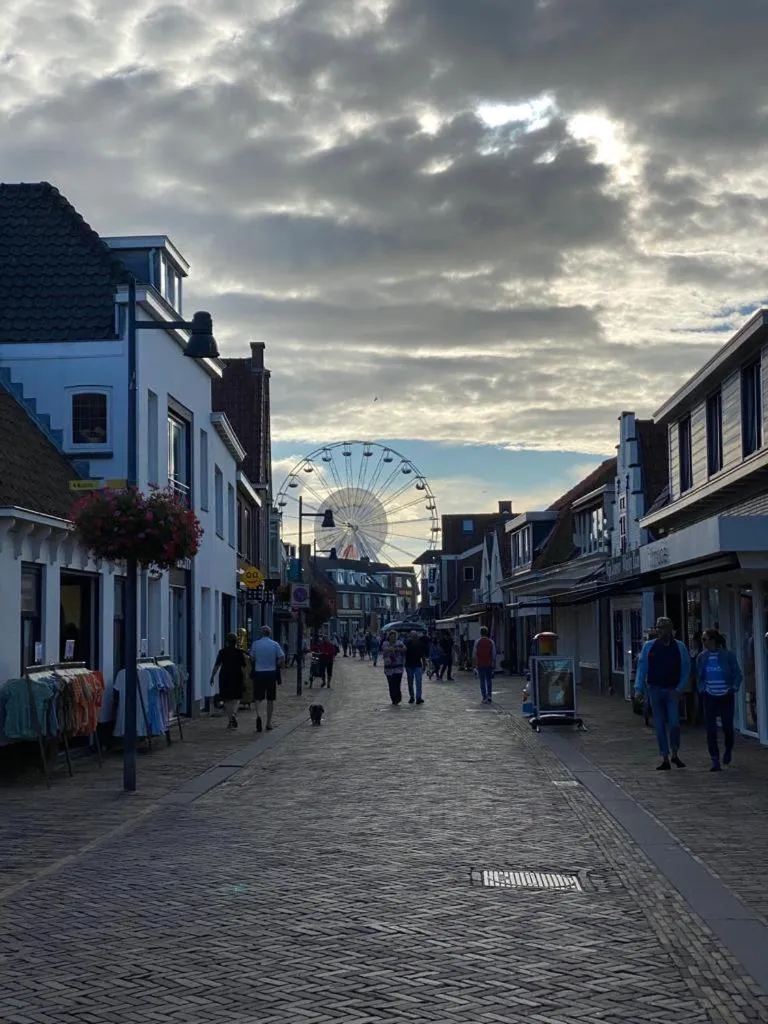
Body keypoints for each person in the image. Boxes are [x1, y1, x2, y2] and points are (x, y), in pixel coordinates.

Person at [634, 616, 691, 770]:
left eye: (664, 627)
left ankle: (675, 753)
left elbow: (686, 668)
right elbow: (642, 667)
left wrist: (680, 688)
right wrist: (638, 689)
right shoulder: (649, 647)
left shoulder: (679, 647)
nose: (660, 630)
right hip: (655, 689)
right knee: (659, 725)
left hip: (672, 689)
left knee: (674, 723)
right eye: (658, 627)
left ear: (670, 629)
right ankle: (664, 756)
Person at [696, 629, 742, 771]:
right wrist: (702, 688)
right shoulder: (702, 657)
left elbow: (737, 673)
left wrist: (733, 687)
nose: (703, 643)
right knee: (711, 730)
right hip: (709, 695)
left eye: (705, 639)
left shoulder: (727, 656)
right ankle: (714, 759)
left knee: (727, 726)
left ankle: (728, 749)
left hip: (726, 695)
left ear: (712, 640)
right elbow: (699, 676)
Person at [248, 625, 285, 732]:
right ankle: (268, 722)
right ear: (270, 633)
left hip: (259, 673)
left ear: (261, 633)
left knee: (258, 697)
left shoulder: (255, 644)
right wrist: (276, 664)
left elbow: (252, 657)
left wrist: (255, 662)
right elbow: (281, 657)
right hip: (271, 673)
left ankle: (259, 715)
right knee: (270, 699)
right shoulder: (274, 644)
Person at [210, 633, 248, 729]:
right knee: (237, 697)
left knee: (227, 699)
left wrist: (212, 676)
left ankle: (231, 719)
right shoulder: (240, 652)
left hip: (225, 676)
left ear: (227, 641)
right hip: (237, 676)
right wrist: (245, 679)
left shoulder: (222, 652)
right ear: (236, 642)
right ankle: (234, 714)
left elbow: (217, 665)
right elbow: (243, 667)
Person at [382, 629, 406, 706]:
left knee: (397, 684)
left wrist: (397, 649)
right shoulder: (385, 643)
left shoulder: (399, 643)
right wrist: (391, 649)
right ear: (389, 637)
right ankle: (393, 699)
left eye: (394, 636)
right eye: (391, 636)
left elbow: (405, 648)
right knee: (391, 684)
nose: (393, 638)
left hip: (398, 668)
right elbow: (384, 649)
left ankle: (398, 698)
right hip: (388, 668)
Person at [473, 626, 496, 704]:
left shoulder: (477, 642)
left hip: (480, 664)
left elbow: (474, 654)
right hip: (489, 663)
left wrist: (474, 665)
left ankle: (484, 697)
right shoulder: (491, 642)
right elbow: (494, 654)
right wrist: (493, 664)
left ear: (480, 633)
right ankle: (489, 696)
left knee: (482, 681)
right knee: (489, 680)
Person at [404, 631, 426, 705]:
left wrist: (424, 665)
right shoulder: (407, 644)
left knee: (418, 683)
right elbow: (404, 654)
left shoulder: (420, 644)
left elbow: (423, 656)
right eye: (413, 636)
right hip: (409, 665)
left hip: (417, 665)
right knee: (410, 683)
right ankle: (412, 697)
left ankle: (418, 697)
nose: (414, 638)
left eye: (415, 636)